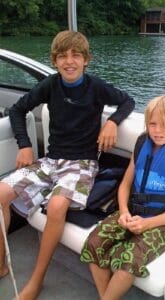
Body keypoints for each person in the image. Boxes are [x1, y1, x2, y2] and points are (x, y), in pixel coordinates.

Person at [0, 30, 135, 299]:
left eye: (76, 55)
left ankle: (36, 280)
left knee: (58, 205)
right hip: (50, 160)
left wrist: (112, 122)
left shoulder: (96, 87)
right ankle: (2, 264)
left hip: (82, 163)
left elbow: (127, 101)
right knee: (1, 193)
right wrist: (25, 145)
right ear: (54, 61)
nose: (69, 61)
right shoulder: (50, 85)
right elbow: (17, 110)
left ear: (87, 60)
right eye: (62, 56)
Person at [80, 95, 165, 300]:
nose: (157, 131)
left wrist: (147, 224)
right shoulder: (142, 144)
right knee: (94, 243)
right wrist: (124, 212)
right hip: (131, 212)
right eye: (152, 124)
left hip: (163, 222)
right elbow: (125, 184)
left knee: (128, 261)